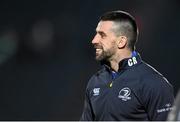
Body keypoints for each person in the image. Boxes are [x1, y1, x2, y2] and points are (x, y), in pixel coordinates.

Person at [80, 10, 174, 121]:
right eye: (96, 34)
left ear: (121, 42)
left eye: (102, 35)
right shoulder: (95, 82)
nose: (94, 40)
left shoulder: (154, 83)